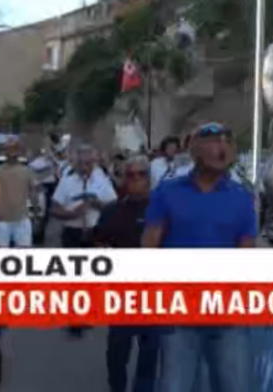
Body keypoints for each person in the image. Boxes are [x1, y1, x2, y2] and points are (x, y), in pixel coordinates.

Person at [144, 122, 257, 392]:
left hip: (227, 313)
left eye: (227, 142)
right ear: (195, 150)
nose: (222, 148)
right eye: (215, 142)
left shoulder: (241, 197)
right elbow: (149, 246)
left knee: (234, 385)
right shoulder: (167, 192)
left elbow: (247, 251)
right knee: (176, 385)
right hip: (180, 311)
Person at [93, 156, 160, 392]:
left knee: (149, 355)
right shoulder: (113, 210)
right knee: (116, 354)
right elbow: (98, 242)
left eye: (142, 174)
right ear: (123, 180)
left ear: (149, 178)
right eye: (131, 175)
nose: (136, 179)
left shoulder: (163, 211)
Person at [51, 143, 118, 337]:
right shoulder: (67, 181)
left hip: (94, 233)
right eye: (82, 162)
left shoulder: (102, 181)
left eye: (89, 162)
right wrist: (71, 213)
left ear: (94, 162)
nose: (85, 166)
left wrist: (97, 204)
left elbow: (114, 207)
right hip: (73, 232)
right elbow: (54, 209)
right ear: (76, 162)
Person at [0, 137, 36, 247]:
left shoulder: (27, 171)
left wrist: (36, 211)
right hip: (1, 221)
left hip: (21, 219)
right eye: (9, 148)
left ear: (19, 151)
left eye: (15, 148)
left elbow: (33, 193)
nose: (12, 151)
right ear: (4, 151)